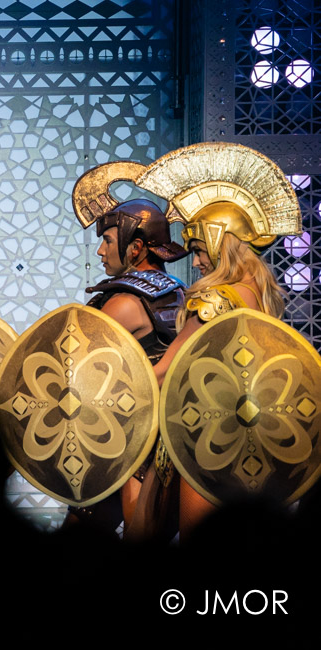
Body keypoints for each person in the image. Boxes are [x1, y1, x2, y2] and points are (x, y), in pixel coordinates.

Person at [133, 141, 299, 538]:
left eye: (198, 248)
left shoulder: (212, 299)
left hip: (206, 437)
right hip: (261, 439)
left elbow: (164, 373)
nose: (195, 261)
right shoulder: (261, 298)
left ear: (219, 242)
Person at [68, 166, 189, 538]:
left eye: (107, 239)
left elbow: (75, 369)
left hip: (131, 442)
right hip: (170, 437)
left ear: (135, 247)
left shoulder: (123, 301)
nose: (101, 250)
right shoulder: (177, 289)